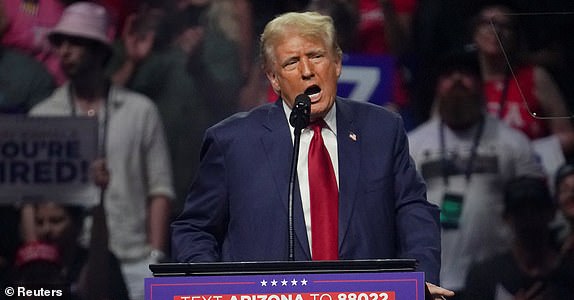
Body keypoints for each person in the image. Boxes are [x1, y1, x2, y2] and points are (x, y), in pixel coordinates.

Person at [171, 11, 453, 298]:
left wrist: (419, 282)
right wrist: (210, 287)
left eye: (316, 56)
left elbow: (414, 212)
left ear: (337, 63)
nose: (307, 70)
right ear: (274, 78)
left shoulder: (381, 130)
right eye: (292, 62)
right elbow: (194, 229)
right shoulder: (232, 141)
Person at [28, 3, 174, 299]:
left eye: (75, 42)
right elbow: (31, 200)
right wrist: (39, 259)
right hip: (68, 259)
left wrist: (154, 257)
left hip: (133, 256)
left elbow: (160, 188)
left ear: (98, 50)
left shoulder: (140, 111)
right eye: (59, 42)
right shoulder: (43, 116)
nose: (64, 51)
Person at [407, 50, 545, 299]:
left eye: (467, 74)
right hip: (431, 279)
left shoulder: (512, 142)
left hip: (492, 278)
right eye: (449, 75)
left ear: (481, 85)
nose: (458, 79)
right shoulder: (412, 144)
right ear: (438, 87)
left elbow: (534, 211)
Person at [471, 2, 574, 164]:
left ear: (515, 37)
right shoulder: (460, 82)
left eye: (504, 26)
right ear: (474, 35)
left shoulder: (535, 77)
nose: (495, 31)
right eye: (487, 23)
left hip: (530, 172)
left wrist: (525, 152)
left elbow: (568, 135)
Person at [464, 177, 574, 300]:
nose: (529, 219)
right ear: (506, 218)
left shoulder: (569, 272)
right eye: (520, 213)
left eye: (536, 210)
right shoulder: (485, 276)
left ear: (552, 213)